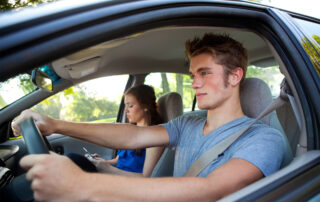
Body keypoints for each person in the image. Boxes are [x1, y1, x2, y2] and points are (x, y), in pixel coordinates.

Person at [12, 33, 286, 201]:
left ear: (235, 76)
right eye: (193, 75)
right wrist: (56, 124)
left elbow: (211, 190)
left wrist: (82, 184)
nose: (195, 83)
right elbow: (135, 135)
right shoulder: (187, 122)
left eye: (205, 73)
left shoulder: (263, 138)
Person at [87, 84, 164, 176]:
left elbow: (146, 178)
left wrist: (108, 169)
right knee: (79, 161)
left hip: (128, 185)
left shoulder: (156, 136)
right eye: (125, 106)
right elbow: (117, 161)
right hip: (115, 176)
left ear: (145, 106)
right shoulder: (128, 131)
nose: (125, 110)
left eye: (130, 106)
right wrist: (102, 162)